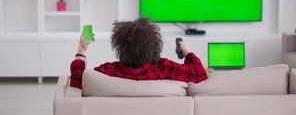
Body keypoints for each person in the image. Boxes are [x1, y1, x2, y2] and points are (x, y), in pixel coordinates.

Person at [70, 18, 207, 89]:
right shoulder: (164, 67)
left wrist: (81, 50)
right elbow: (200, 74)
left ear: (120, 46)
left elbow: (77, 81)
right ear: (154, 44)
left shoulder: (107, 71)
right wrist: (187, 51)